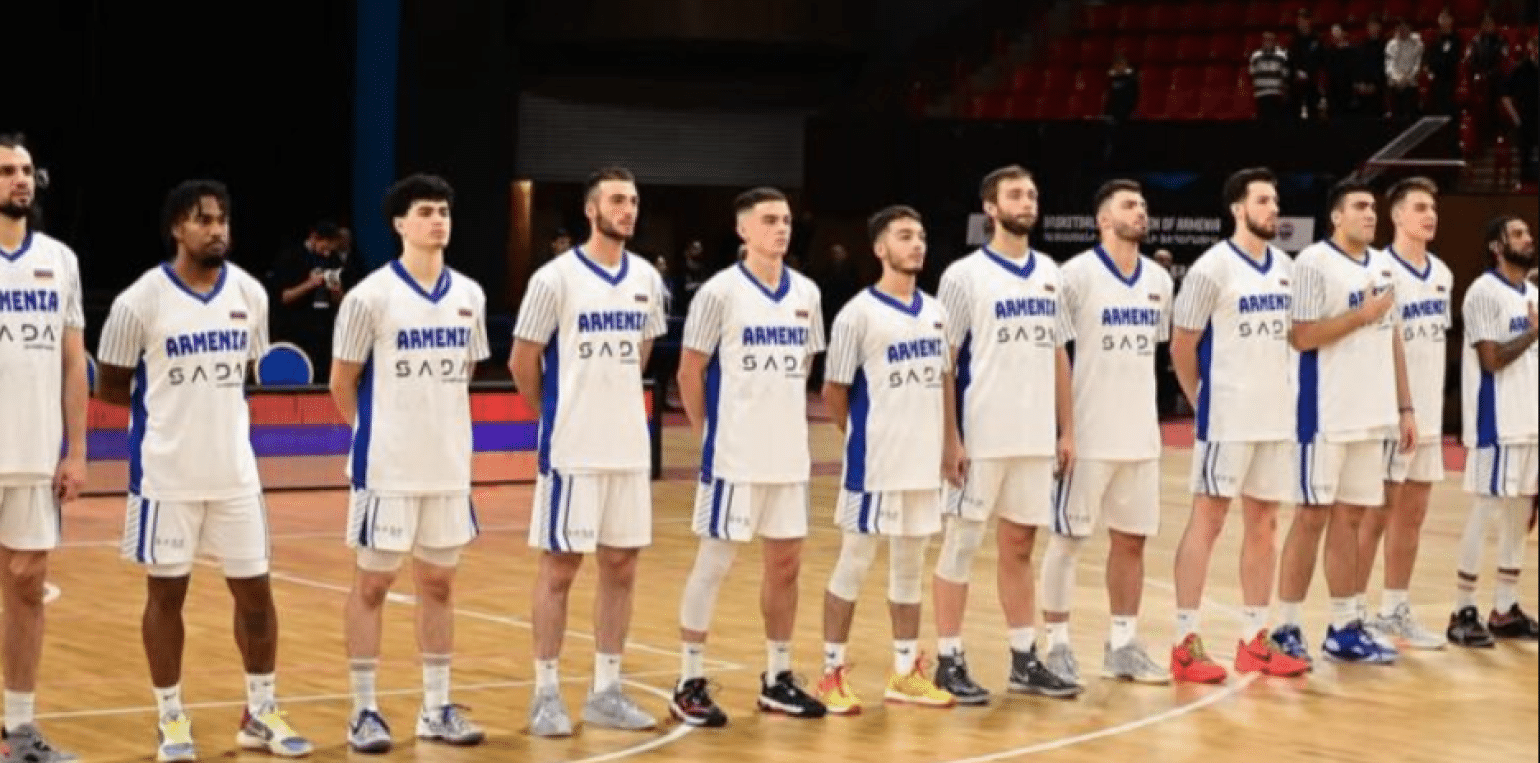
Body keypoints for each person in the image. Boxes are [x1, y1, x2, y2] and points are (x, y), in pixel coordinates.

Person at [94, 180, 311, 761]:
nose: (216, 229)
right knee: (166, 597)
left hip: (236, 475)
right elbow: (111, 386)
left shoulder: (249, 294)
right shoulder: (140, 300)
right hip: (165, 478)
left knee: (258, 598)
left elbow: (246, 370)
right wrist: (169, 420)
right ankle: (171, 717)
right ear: (176, 229)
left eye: (223, 219)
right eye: (202, 220)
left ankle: (260, 711)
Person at [328, 174, 490, 752]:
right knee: (373, 585)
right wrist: (377, 436)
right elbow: (341, 383)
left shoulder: (470, 295)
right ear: (400, 224)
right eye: (425, 211)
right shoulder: (370, 296)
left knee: (439, 585)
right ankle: (364, 710)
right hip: (387, 468)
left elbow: (464, 374)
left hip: (447, 467)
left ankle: (436, 706)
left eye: (444, 210)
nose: (438, 220)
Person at [510, 166, 668, 736]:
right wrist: (551, 416)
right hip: (572, 448)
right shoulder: (554, 279)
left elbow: (644, 352)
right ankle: (546, 693)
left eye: (633, 201)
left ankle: (606, 690)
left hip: (627, 446)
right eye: (617, 201)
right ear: (590, 210)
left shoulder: (648, 278)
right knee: (559, 569)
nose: (627, 210)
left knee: (621, 566)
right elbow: (522, 360)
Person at [668, 187, 828, 727]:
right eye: (768, 220)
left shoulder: (807, 291)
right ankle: (688, 679)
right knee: (714, 563)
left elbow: (805, 367)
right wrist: (707, 435)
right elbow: (690, 371)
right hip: (733, 457)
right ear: (743, 230)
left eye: (785, 220)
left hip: (789, 456)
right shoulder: (718, 292)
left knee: (786, 565)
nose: (780, 229)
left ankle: (777, 677)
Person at [926, 165, 1079, 704]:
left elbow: (1060, 352)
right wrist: (950, 436)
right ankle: (947, 658)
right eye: (1015, 194)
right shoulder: (963, 275)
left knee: (1020, 546)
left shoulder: (1050, 272)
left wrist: (1067, 428)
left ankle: (1023, 657)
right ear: (990, 208)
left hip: (1034, 437)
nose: (1026, 202)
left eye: (1032, 194)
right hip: (982, 432)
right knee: (962, 543)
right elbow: (944, 360)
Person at [1168, 167, 1310, 683]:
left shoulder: (1288, 268)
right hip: (1227, 417)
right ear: (1237, 209)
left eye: (1276, 201)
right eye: (1264, 201)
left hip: (1275, 417)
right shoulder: (1211, 268)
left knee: (1265, 525)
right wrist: (1198, 397)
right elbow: (1182, 342)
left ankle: (1254, 639)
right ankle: (1185, 641)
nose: (1274, 209)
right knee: (1208, 521)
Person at [814, 205, 956, 714]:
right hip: (874, 463)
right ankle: (830, 672)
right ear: (880, 248)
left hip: (922, 462)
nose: (917, 244)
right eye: (904, 236)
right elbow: (834, 389)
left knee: (910, 566)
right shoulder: (857, 313)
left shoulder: (937, 311)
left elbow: (944, 380)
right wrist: (854, 432)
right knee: (853, 562)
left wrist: (951, 443)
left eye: (920, 235)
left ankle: (904, 673)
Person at [1272, 179, 1416, 666]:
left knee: (1352, 520)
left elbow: (1391, 337)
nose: (1370, 214)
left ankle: (1344, 626)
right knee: (1311, 516)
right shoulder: (1313, 262)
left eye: (1373, 207)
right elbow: (1301, 336)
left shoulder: (1382, 264)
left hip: (1372, 414)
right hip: (1325, 414)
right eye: (1359, 207)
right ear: (1336, 216)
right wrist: (1360, 314)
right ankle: (1286, 626)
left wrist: (1405, 407)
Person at [1039, 180, 1174, 687]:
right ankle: (1056, 647)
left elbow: (1152, 355)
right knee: (1067, 541)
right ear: (1102, 219)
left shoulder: (1160, 279)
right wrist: (1064, 429)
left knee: (1132, 542)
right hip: (1088, 435)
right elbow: (1055, 354)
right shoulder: (1073, 277)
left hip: (1139, 435)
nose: (1140, 211)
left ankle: (1122, 643)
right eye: (1128, 205)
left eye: (1142, 204)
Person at [0, 134, 86, 762]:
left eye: (26, 170)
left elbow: (72, 359)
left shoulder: (59, 258)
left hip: (33, 451)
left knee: (28, 585)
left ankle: (21, 726)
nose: (19, 181)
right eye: (6, 171)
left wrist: (77, 449)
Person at [1354, 177, 1452, 651]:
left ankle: (1394, 608)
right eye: (1419, 207)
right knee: (1376, 514)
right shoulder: (1379, 270)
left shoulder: (1443, 273)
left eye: (1432, 207)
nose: (1429, 215)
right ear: (1396, 216)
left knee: (1413, 515)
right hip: (1393, 414)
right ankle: (1352, 613)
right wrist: (1400, 407)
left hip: (1430, 413)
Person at [1447, 215, 1540, 647]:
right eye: (1517, 234)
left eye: (1527, 233)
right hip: (1497, 422)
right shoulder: (1483, 292)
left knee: (1520, 517)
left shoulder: (1533, 293)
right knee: (1485, 511)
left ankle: (1504, 606)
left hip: (1531, 423)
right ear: (1496, 246)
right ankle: (1462, 609)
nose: (1528, 238)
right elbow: (1492, 360)